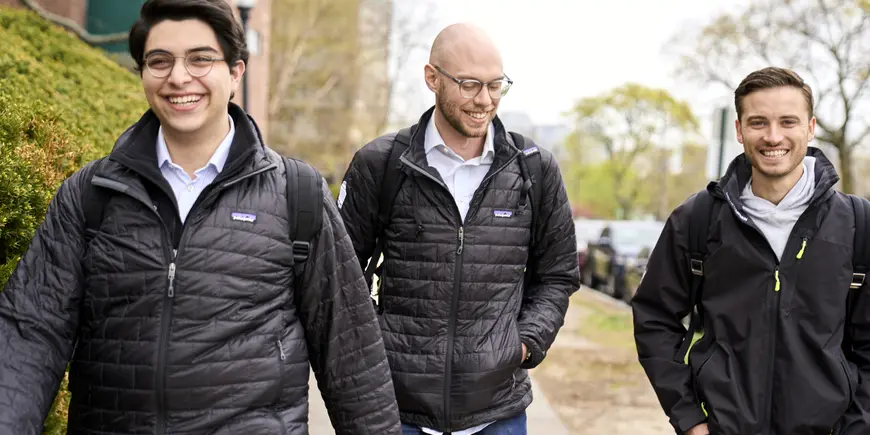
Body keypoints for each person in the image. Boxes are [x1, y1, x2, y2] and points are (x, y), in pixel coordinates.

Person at [0, 0, 400, 434]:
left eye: (200, 59)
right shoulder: (91, 194)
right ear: (142, 73)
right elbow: (30, 333)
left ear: (235, 72)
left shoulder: (297, 195)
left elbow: (352, 356)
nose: (178, 77)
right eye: (160, 61)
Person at [336, 23, 580, 435]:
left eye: (495, 85)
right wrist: (375, 344)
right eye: (469, 85)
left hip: (498, 415)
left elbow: (558, 275)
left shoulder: (534, 169)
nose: (484, 100)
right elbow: (340, 273)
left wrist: (522, 344)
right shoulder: (380, 164)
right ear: (432, 78)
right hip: (396, 411)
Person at [632, 66, 870, 435]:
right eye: (759, 122)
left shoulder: (858, 224)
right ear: (740, 130)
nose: (773, 137)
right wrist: (690, 419)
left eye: (788, 122)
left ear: (810, 128)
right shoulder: (698, 219)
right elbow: (654, 319)